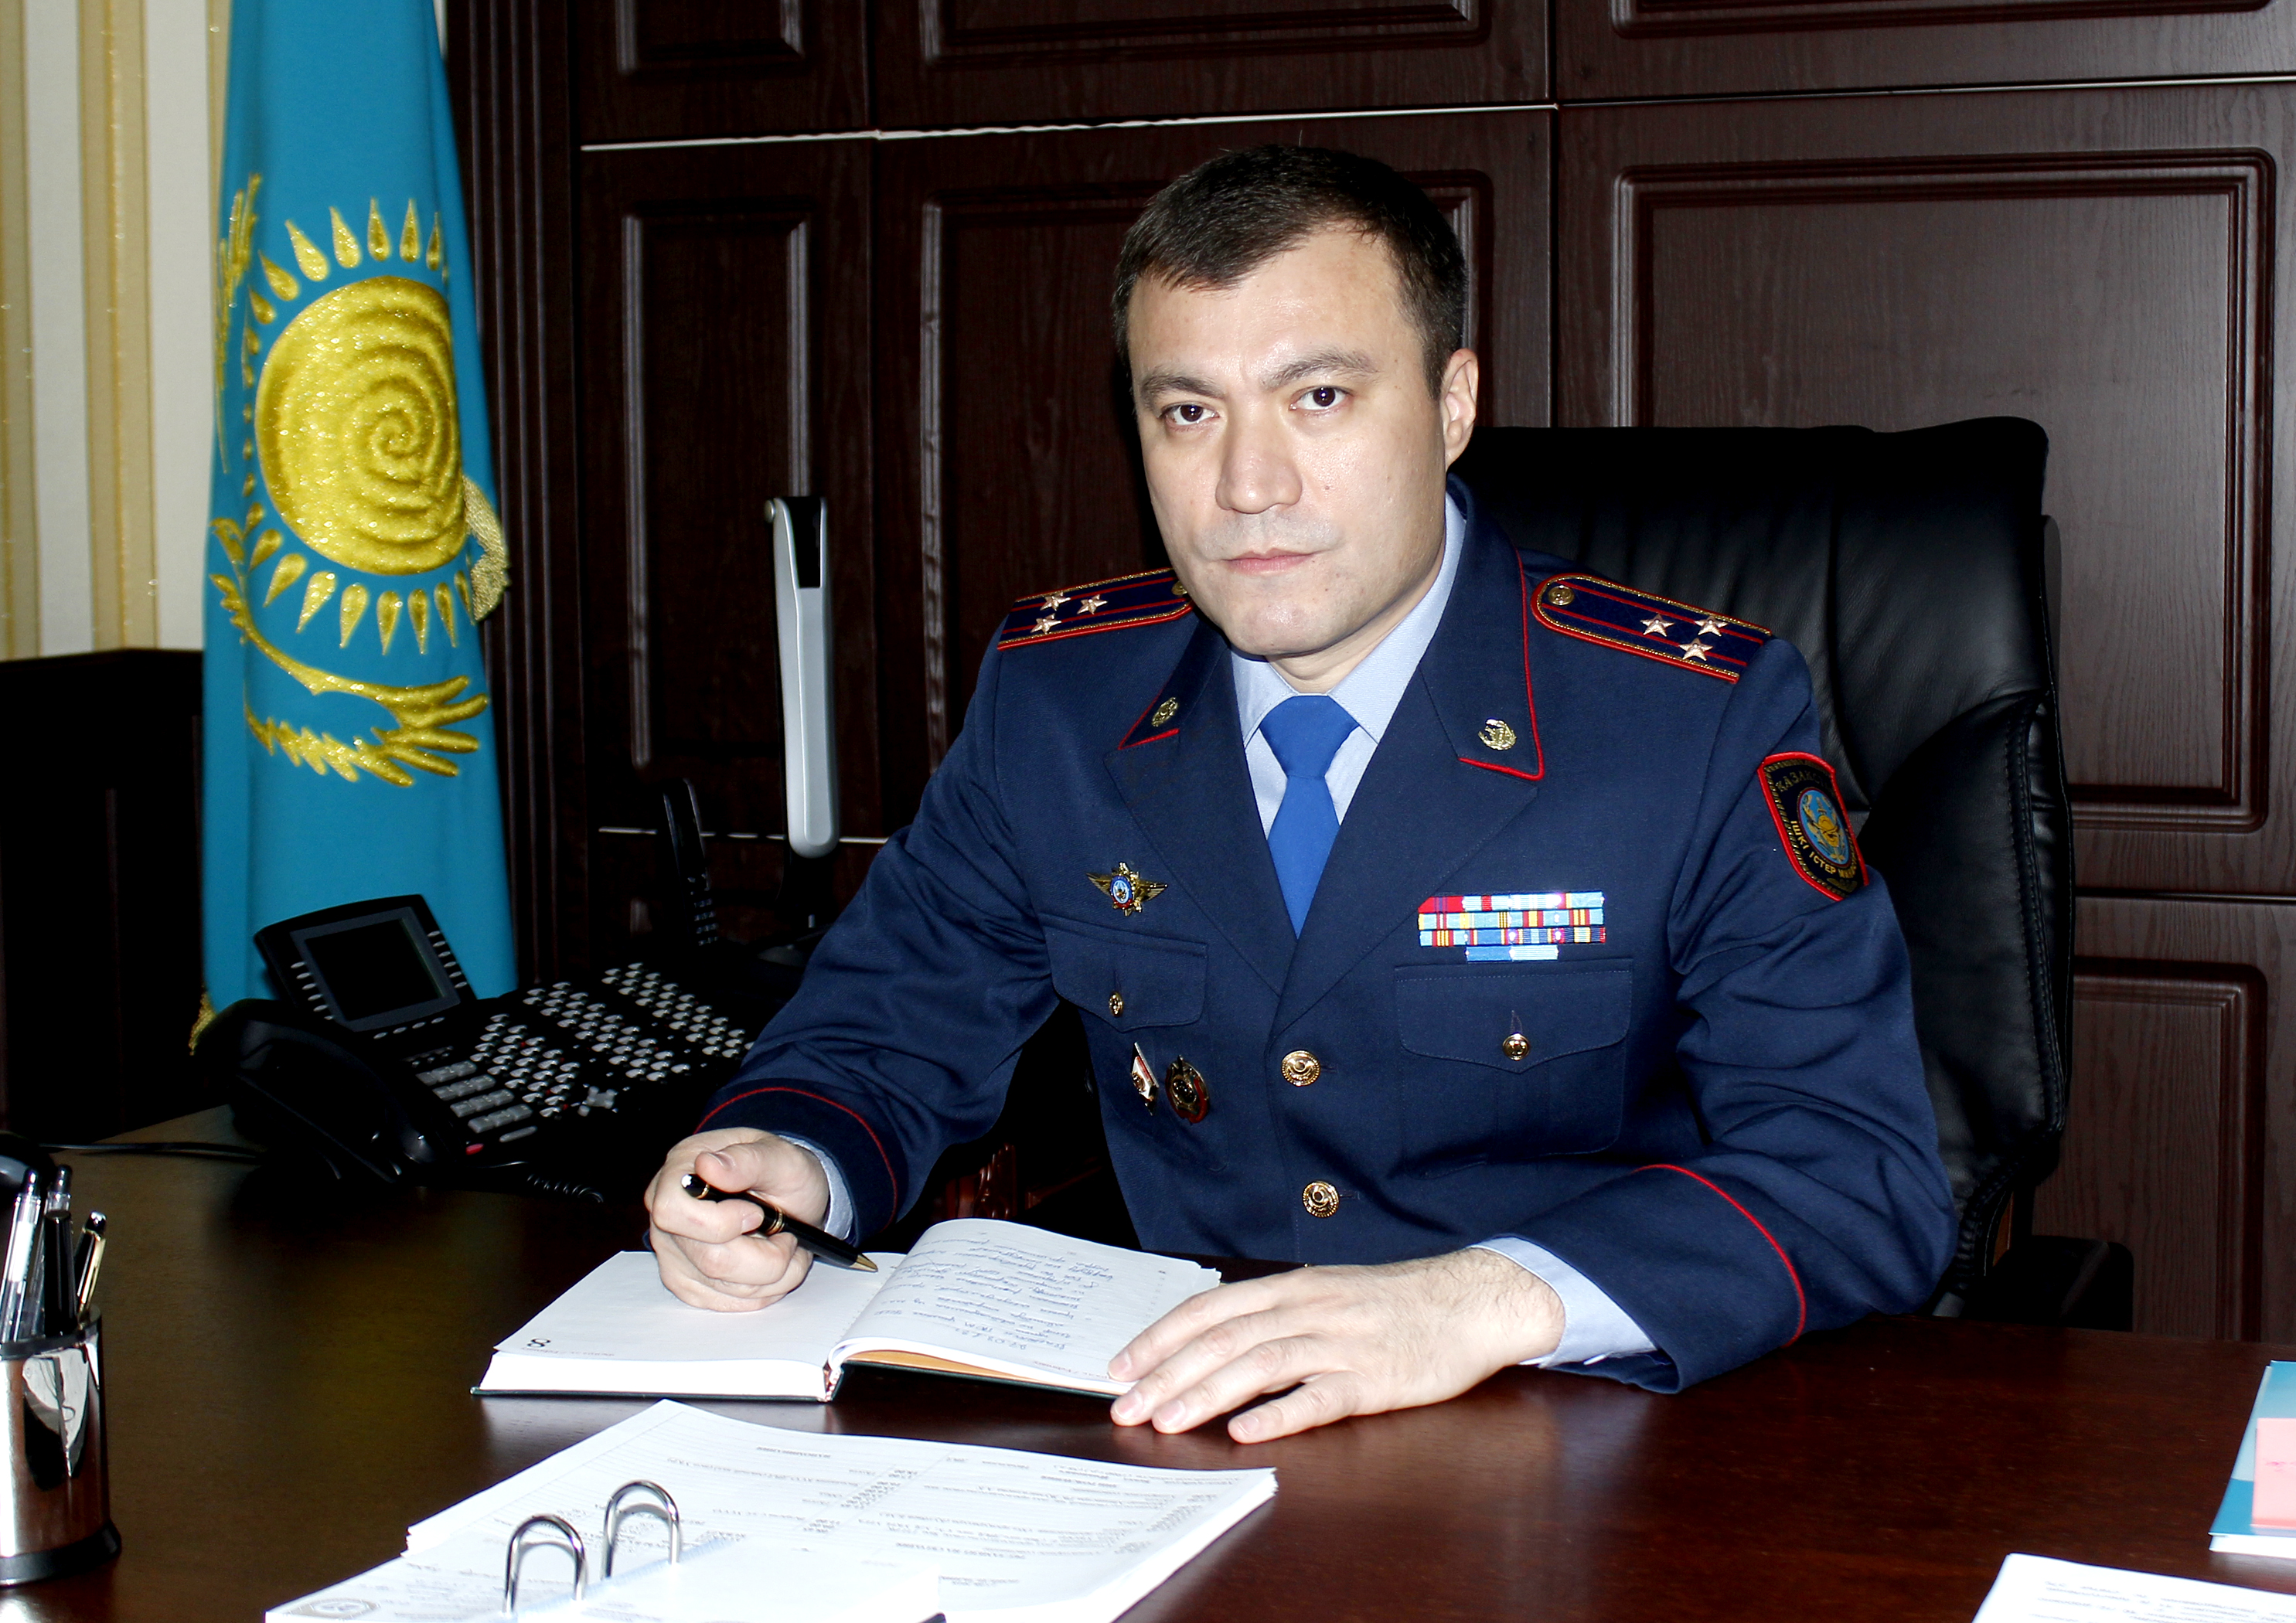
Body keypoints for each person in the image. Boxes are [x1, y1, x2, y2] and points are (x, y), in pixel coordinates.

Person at [643, 145, 1957, 1442]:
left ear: (1451, 405)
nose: (1246, 487)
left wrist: (1486, 1301)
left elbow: (1857, 1174)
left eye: (1317, 397)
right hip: (1180, 1424)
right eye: (1188, 412)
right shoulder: (1061, 698)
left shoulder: (1688, 721)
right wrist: (786, 1161)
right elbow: (882, 1028)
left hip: (1572, 1437)